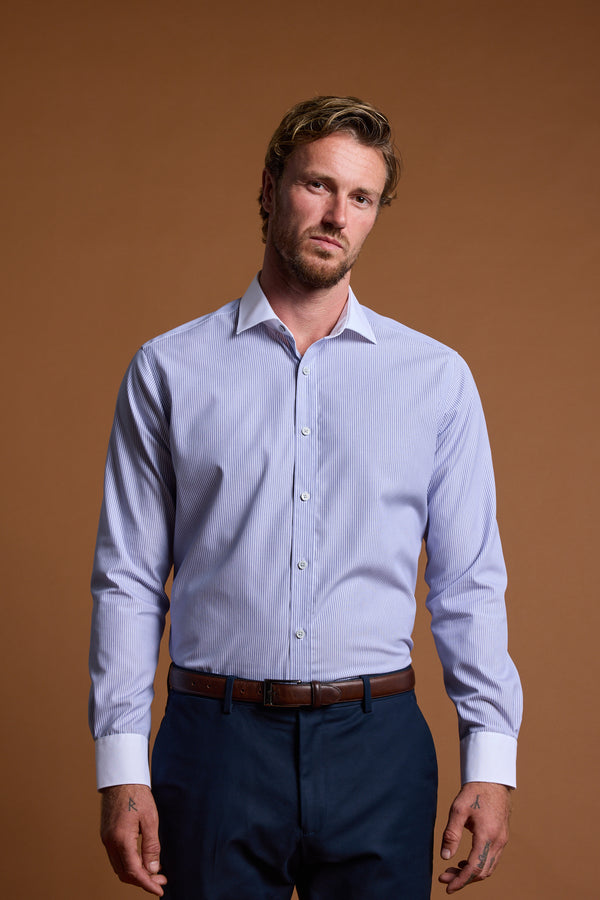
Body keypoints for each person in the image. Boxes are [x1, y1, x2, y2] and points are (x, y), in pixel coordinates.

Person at [90, 95, 522, 899]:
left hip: (378, 748)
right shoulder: (169, 370)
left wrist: (492, 760)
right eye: (316, 185)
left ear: (375, 214)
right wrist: (121, 766)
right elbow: (128, 579)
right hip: (212, 747)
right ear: (268, 186)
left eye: (360, 197)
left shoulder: (436, 380)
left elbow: (469, 584)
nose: (336, 215)